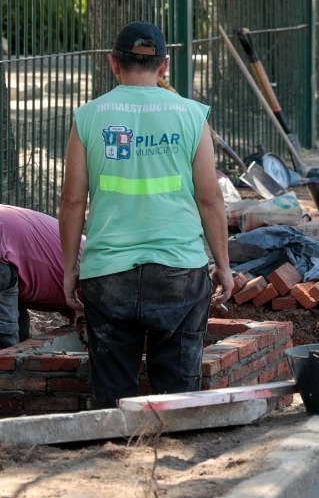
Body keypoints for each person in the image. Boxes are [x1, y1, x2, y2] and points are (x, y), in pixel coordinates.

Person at [59, 21, 233, 408]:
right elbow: (210, 199)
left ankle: (115, 458)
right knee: (177, 399)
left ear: (112, 63)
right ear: (165, 65)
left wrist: (70, 268)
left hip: (108, 275)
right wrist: (223, 264)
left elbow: (72, 202)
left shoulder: (89, 117)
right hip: (180, 273)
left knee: (112, 396)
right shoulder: (191, 116)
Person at [0, 206, 79, 349]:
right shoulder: (93, 273)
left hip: (9, 244)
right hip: (5, 248)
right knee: (5, 339)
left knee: (14, 322)